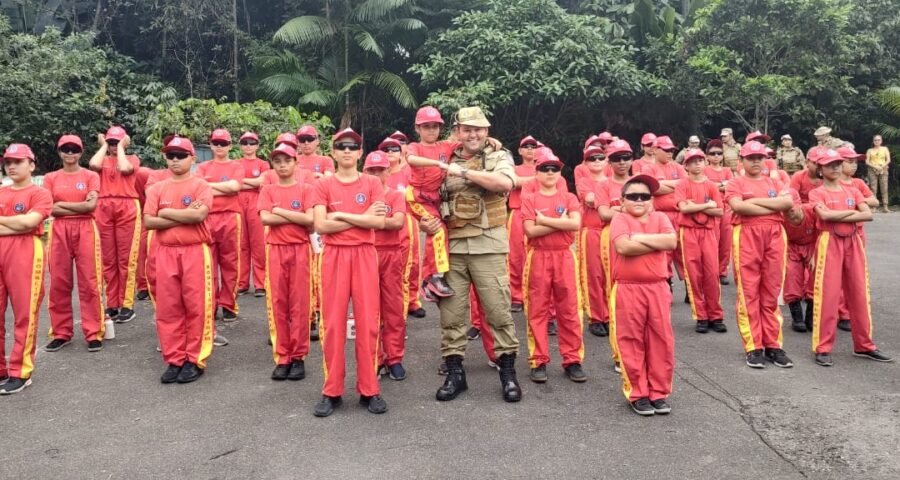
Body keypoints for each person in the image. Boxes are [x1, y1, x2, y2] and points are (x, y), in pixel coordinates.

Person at [425, 106, 522, 403]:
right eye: (467, 129)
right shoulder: (443, 157)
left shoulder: (497, 155)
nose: (473, 134)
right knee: (452, 315)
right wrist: (425, 220)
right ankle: (456, 374)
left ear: (487, 132)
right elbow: (426, 195)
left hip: (488, 245)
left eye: (479, 129)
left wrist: (464, 171)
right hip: (451, 248)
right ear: (457, 132)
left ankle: (508, 374)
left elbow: (505, 183)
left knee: (498, 311)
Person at [311, 128, 387, 417]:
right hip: (334, 257)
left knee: (368, 323)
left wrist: (339, 215)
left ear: (360, 152)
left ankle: (370, 389)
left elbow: (378, 224)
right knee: (332, 324)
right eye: (341, 146)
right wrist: (361, 218)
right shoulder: (324, 186)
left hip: (365, 256)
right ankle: (332, 390)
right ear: (333, 151)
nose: (346, 151)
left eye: (352, 146)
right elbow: (320, 226)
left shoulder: (371, 182)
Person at [808, 149, 892, 366]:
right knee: (828, 295)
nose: (835, 167)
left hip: (853, 242)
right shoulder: (817, 193)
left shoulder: (853, 190)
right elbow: (824, 215)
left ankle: (864, 345)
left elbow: (868, 214)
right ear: (820, 169)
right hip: (829, 242)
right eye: (829, 165)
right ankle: (823, 347)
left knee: (859, 293)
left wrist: (838, 215)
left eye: (838, 163)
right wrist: (851, 214)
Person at [143, 136, 215, 385]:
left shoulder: (201, 186)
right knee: (168, 307)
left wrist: (165, 213)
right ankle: (174, 358)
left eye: (181, 155)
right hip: (165, 252)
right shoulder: (157, 189)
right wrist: (184, 214)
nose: (175, 160)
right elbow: (149, 221)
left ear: (192, 159)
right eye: (170, 155)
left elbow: (200, 216)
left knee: (196, 306)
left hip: (194, 251)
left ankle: (194, 359)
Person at [608, 174, 677, 416]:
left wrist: (639, 238)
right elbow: (623, 247)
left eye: (645, 196)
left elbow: (671, 242)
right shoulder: (620, 219)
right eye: (633, 196)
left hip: (658, 287)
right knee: (631, 340)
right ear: (622, 200)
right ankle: (638, 392)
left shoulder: (661, 217)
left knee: (662, 340)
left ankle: (659, 392)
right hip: (628, 288)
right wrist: (655, 242)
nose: (639, 200)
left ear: (652, 200)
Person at [725, 141, 794, 369]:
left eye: (760, 157)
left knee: (772, 291)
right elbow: (738, 206)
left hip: (775, 235)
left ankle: (773, 344)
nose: (756, 161)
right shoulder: (735, 182)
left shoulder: (774, 181)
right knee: (748, 291)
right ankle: (753, 345)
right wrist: (772, 207)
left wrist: (753, 202)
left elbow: (787, 202)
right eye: (751, 157)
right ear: (741, 160)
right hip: (746, 235)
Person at [521, 148, 586, 384]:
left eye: (554, 168)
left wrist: (545, 220)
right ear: (536, 172)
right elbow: (530, 230)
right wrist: (562, 223)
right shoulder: (529, 198)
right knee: (537, 310)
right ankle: (538, 360)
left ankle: (572, 359)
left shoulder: (569, 197)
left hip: (564, 257)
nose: (550, 172)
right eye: (544, 168)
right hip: (538, 256)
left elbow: (576, 225)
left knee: (570, 310)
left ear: (560, 173)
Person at [258, 143, 314, 381]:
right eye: (278, 161)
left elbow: (310, 219)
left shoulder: (306, 189)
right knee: (278, 303)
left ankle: (299, 356)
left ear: (295, 162)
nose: (282, 166)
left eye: (287, 161)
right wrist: (292, 216)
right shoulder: (267, 190)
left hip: (300, 249)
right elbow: (264, 218)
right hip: (276, 250)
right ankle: (282, 356)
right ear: (273, 165)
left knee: (300, 304)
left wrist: (279, 212)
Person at [0, 144, 53, 395]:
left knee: (25, 313)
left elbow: (29, 222)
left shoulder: (40, 194)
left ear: (31, 165)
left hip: (26, 252)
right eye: (8, 162)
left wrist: (18, 224)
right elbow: (20, 223)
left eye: (18, 161)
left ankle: (20, 371)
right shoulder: (1, 191)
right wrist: (17, 224)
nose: (11, 166)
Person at [44, 135, 104, 353]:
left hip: (86, 228)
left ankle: (93, 332)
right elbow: (49, 208)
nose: (70, 153)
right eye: (65, 149)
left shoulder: (91, 176)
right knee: (59, 282)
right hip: (59, 230)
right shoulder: (51, 178)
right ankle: (61, 332)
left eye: (74, 149)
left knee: (90, 281)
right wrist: (78, 204)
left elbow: (91, 207)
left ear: (81, 151)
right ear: (59, 151)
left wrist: (62, 203)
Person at [363, 151, 409, 381]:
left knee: (393, 307)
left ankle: (394, 357)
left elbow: (398, 223)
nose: (376, 174)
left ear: (389, 171)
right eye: (371, 170)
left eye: (381, 170)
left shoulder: (395, 196)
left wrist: (370, 221)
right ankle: (375, 358)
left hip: (391, 254)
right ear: (365, 172)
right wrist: (379, 222)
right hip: (367, 253)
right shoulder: (360, 195)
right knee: (369, 309)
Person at [88, 126, 141, 324]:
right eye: (111, 141)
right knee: (108, 258)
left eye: (116, 142)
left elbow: (125, 168)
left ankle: (127, 304)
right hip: (103, 207)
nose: (113, 145)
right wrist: (104, 146)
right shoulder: (101, 160)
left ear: (125, 142)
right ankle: (112, 303)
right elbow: (93, 165)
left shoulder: (132, 159)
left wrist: (120, 147)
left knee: (126, 259)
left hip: (127, 206)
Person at [404, 106, 456, 300]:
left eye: (435, 126)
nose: (431, 130)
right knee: (437, 229)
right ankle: (434, 277)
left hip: (436, 199)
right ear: (418, 129)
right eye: (426, 126)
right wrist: (437, 163)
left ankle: (428, 281)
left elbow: (465, 142)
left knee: (441, 231)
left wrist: (491, 141)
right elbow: (411, 159)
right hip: (417, 197)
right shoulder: (415, 147)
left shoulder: (445, 146)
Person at [195, 129, 244, 326]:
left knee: (231, 262)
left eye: (223, 143)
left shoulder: (236, 166)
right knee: (208, 263)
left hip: (230, 217)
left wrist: (210, 187)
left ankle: (229, 304)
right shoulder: (203, 166)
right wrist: (220, 188)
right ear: (211, 145)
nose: (219, 147)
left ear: (230, 146)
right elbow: (198, 188)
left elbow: (235, 187)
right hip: (207, 218)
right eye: (216, 143)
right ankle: (212, 304)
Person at [675, 148, 726, 333]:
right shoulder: (682, 184)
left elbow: (719, 211)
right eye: (692, 161)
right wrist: (707, 205)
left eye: (700, 160)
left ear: (705, 163)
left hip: (708, 232)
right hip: (688, 232)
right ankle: (701, 316)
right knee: (694, 274)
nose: (697, 164)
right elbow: (683, 209)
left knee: (712, 273)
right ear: (686, 165)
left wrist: (694, 206)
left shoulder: (711, 185)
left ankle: (716, 314)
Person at [379, 136, 424, 318]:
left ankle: (411, 301)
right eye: (386, 149)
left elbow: (419, 194)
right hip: (381, 224)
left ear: (402, 153)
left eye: (394, 149)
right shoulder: (377, 173)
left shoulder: (409, 172)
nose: (390, 152)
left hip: (406, 221)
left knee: (410, 264)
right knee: (390, 268)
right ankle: (392, 308)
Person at [576, 145, 610, 336]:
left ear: (606, 161)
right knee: (593, 274)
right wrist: (610, 201)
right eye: (592, 159)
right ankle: (596, 317)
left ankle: (610, 314)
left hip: (612, 229)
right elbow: (589, 199)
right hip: (592, 231)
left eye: (600, 158)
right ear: (586, 163)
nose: (596, 162)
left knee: (611, 273)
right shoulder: (584, 181)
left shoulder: (613, 180)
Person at [642, 135, 686, 281]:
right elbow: (652, 188)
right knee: (663, 251)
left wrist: (663, 185)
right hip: (659, 215)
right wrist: (675, 185)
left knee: (684, 251)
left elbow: (686, 186)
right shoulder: (648, 168)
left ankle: (689, 287)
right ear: (655, 150)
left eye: (672, 150)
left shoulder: (678, 167)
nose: (670, 153)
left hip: (680, 214)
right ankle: (666, 283)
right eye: (666, 150)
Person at [507, 135, 540, 312]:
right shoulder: (514, 168)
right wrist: (537, 179)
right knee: (515, 257)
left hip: (537, 216)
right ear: (519, 150)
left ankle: (534, 294)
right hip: (517, 214)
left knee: (536, 256)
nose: (529, 149)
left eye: (533, 146)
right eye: (526, 146)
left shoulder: (544, 168)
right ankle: (517, 296)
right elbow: (513, 182)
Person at [236, 131, 270, 297]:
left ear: (257, 145)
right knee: (241, 243)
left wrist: (241, 182)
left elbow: (262, 182)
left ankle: (260, 283)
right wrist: (251, 183)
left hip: (256, 202)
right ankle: (242, 283)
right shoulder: (235, 164)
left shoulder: (263, 164)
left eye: (251, 142)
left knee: (258, 243)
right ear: (240, 145)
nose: (248, 146)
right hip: (238, 202)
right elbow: (232, 184)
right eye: (244, 142)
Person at [782, 192, 816, 333]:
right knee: (791, 276)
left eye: (791, 210)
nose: (790, 215)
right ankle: (797, 318)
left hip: (813, 244)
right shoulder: (779, 218)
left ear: (799, 205)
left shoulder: (812, 211)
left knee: (815, 278)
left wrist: (815, 254)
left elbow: (823, 231)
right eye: (784, 212)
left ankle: (811, 316)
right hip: (791, 246)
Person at [704, 140, 734, 284]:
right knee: (712, 240)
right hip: (711, 209)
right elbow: (705, 187)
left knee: (726, 242)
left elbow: (731, 187)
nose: (716, 156)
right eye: (712, 153)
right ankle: (712, 270)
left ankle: (722, 271)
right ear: (707, 156)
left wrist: (715, 185)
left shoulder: (727, 170)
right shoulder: (703, 170)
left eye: (719, 153)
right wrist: (722, 184)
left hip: (727, 208)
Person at [865, 135, 891, 213]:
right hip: (872, 170)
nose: (877, 141)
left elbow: (888, 160)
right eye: (875, 140)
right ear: (873, 141)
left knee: (884, 188)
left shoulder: (885, 149)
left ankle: (885, 207)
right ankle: (873, 207)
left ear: (881, 141)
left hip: (883, 169)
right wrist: (875, 167)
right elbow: (867, 161)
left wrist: (881, 167)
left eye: (878, 140)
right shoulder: (869, 150)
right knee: (873, 188)